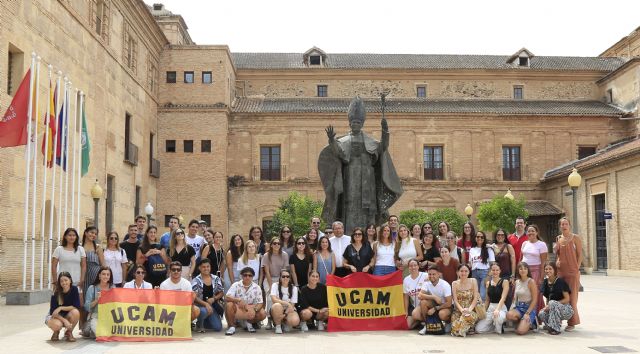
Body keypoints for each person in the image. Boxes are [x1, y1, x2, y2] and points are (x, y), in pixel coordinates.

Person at [319, 96, 403, 233]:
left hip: (368, 179)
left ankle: (367, 235)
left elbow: (382, 148)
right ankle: (348, 233)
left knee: (368, 207)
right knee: (349, 205)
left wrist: (385, 131)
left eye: (358, 122)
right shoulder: (343, 141)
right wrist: (331, 140)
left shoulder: (370, 141)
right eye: (353, 122)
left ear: (362, 124)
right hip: (350, 177)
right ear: (350, 123)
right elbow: (338, 153)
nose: (355, 124)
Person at [554, 217, 582, 331]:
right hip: (561, 271)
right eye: (562, 224)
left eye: (566, 224)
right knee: (560, 295)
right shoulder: (558, 238)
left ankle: (572, 322)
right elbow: (557, 254)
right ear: (560, 226)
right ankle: (558, 319)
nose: (564, 226)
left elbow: (580, 255)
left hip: (572, 271)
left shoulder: (575, 238)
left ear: (569, 225)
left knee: (572, 297)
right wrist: (556, 261)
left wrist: (577, 268)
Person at [224, 267, 266, 335]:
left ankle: (249, 323)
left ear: (253, 277)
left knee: (263, 313)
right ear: (241, 276)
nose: (247, 277)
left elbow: (260, 302)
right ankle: (232, 327)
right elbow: (227, 297)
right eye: (245, 275)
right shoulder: (236, 285)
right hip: (239, 308)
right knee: (229, 305)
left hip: (250, 309)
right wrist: (238, 300)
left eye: (250, 275)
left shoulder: (257, 287)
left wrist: (254, 310)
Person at [538, 261, 574, 335]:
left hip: (565, 310)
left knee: (552, 303)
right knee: (541, 313)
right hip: (553, 308)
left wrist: (552, 304)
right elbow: (548, 298)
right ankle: (550, 325)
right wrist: (547, 307)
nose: (548, 271)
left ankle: (555, 329)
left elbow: (567, 299)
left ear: (555, 270)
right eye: (546, 269)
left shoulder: (560, 282)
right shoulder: (545, 282)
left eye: (550, 269)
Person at [261, 236, 290, 329]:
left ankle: (281, 319)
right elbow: (267, 272)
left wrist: (281, 283)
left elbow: (285, 271)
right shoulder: (266, 255)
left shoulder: (284, 255)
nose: (277, 245)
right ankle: (269, 319)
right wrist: (271, 287)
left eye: (278, 243)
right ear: (271, 245)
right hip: (269, 279)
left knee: (282, 297)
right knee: (270, 297)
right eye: (274, 243)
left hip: (281, 278)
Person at [417, 265, 453, 335]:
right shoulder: (427, 282)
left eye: (434, 274)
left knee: (442, 314)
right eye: (430, 274)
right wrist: (434, 297)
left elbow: (449, 303)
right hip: (435, 302)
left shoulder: (445, 285)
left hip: (445, 306)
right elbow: (419, 295)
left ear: (439, 274)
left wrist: (435, 308)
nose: (431, 276)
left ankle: (448, 322)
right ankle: (427, 325)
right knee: (423, 302)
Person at [475, 262, 509, 334]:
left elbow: (503, 298)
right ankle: (494, 326)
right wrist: (483, 311)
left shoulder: (504, 282)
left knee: (498, 318)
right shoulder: (488, 283)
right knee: (478, 329)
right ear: (490, 271)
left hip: (501, 307)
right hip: (491, 308)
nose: (495, 272)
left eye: (497, 270)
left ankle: (498, 326)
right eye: (493, 270)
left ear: (500, 271)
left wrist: (497, 310)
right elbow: (487, 300)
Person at [46, 272, 81, 342]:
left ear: (70, 280)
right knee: (58, 325)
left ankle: (68, 332)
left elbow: (76, 306)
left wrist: (61, 308)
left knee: (76, 312)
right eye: (61, 281)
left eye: (66, 280)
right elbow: (53, 312)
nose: (64, 283)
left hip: (67, 314)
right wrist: (64, 321)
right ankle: (56, 332)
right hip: (55, 316)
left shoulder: (74, 289)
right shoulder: (56, 292)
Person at [192, 259, 224, 333]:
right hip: (200, 306)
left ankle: (205, 320)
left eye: (208, 266)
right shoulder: (196, 280)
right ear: (199, 268)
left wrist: (214, 298)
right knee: (204, 311)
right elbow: (194, 297)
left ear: (210, 267)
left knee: (218, 327)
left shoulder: (216, 278)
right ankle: (199, 324)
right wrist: (205, 304)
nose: (206, 268)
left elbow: (221, 292)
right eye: (203, 267)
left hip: (212, 305)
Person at [506, 262, 538, 335]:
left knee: (520, 331)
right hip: (519, 307)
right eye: (521, 269)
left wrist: (527, 313)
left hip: (529, 308)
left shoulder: (531, 282)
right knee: (509, 315)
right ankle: (522, 321)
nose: (523, 270)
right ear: (518, 271)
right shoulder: (517, 282)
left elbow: (535, 300)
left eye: (525, 269)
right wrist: (511, 308)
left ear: (527, 270)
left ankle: (532, 323)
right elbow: (515, 298)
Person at [51, 228, 86, 293]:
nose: (72, 237)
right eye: (69, 235)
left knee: (77, 302)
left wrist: (82, 280)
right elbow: (54, 266)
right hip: (62, 281)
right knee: (61, 301)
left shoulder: (80, 249)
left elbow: (84, 266)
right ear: (65, 236)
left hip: (76, 281)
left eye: (74, 235)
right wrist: (55, 281)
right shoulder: (59, 249)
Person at [521, 224, 547, 311]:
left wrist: (541, 277)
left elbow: (543, 263)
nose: (530, 233)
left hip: (536, 271)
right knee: (525, 293)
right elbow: (521, 259)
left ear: (537, 232)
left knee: (535, 293)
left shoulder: (541, 244)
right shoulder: (524, 243)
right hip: (524, 271)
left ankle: (536, 317)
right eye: (529, 231)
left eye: (532, 231)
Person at [83, 266, 114, 338]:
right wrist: (97, 300)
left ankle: (94, 333)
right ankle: (93, 330)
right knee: (101, 334)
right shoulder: (92, 288)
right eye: (103, 274)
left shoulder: (113, 288)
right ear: (99, 275)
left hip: (109, 316)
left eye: (108, 274)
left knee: (112, 334)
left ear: (110, 277)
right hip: (95, 316)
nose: (105, 276)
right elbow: (87, 307)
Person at [450, 264, 480, 337]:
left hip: (471, 310)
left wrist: (469, 310)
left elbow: (475, 298)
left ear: (469, 272)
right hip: (458, 311)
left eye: (466, 271)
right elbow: (455, 300)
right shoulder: (454, 283)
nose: (463, 273)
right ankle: (468, 327)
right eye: (461, 271)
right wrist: (462, 310)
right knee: (455, 329)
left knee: (466, 318)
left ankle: (468, 327)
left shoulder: (473, 281)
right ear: (458, 272)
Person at [270, 269, 300, 334]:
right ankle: (278, 325)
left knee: (295, 321)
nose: (285, 278)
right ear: (280, 278)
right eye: (283, 276)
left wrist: (285, 314)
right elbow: (273, 299)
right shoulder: (275, 285)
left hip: (288, 309)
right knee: (277, 305)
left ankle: (285, 323)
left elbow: (292, 305)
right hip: (277, 309)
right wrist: (286, 303)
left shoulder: (294, 288)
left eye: (287, 276)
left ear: (290, 278)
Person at [492, 228, 516, 308]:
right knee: (496, 297)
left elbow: (513, 261)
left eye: (502, 235)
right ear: (495, 236)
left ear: (505, 236)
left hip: (506, 275)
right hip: (495, 276)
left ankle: (507, 316)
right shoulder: (492, 247)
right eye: (498, 235)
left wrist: (512, 275)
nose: (500, 236)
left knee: (507, 297)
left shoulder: (508, 246)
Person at [469, 231, 495, 301]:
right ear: (475, 238)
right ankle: (478, 311)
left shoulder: (488, 249)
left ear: (484, 239)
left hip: (485, 273)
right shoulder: (472, 249)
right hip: (474, 273)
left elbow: (493, 264)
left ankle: (483, 311)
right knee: (476, 294)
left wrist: (489, 276)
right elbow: (470, 263)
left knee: (483, 295)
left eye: (482, 237)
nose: (479, 238)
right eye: (477, 237)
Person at [403, 259, 427, 329]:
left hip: (425, 304)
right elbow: (406, 296)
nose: (413, 267)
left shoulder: (425, 275)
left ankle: (428, 323)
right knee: (408, 326)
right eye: (410, 266)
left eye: (415, 265)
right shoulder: (406, 280)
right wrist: (406, 311)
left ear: (418, 266)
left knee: (415, 314)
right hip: (415, 306)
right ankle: (419, 321)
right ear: (408, 268)